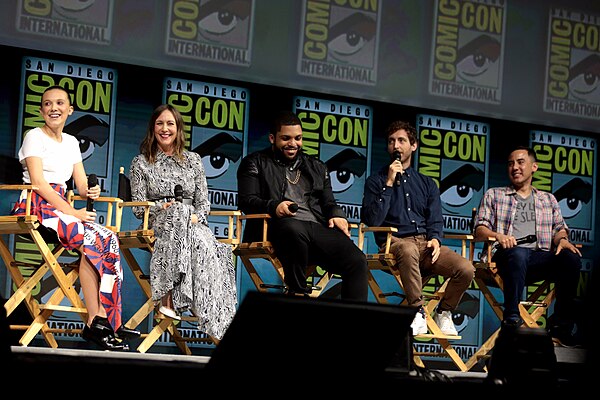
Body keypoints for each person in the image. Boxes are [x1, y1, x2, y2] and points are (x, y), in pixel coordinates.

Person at [11, 85, 139, 351]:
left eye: (59, 103)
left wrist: (89, 190)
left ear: (70, 110)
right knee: (91, 239)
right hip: (36, 205)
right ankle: (99, 322)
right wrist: (73, 212)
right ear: (41, 110)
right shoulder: (34, 136)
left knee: (108, 239)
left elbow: (80, 184)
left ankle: (103, 321)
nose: (53, 108)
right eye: (47, 104)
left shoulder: (70, 142)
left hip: (61, 207)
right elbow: (39, 184)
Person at [129, 104, 237, 340]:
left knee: (213, 246)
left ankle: (197, 308)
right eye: (160, 124)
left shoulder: (194, 160)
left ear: (178, 129)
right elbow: (138, 208)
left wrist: (196, 216)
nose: (165, 129)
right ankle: (174, 296)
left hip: (193, 223)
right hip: (158, 223)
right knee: (178, 213)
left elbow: (204, 202)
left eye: (170, 124)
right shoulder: (141, 163)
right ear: (152, 128)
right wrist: (161, 207)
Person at [237, 110, 368, 301]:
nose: (293, 144)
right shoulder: (255, 162)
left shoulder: (317, 166)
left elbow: (329, 202)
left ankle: (355, 326)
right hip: (276, 226)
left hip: (315, 228)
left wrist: (337, 214)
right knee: (294, 228)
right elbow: (246, 201)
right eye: (286, 138)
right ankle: (297, 293)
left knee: (357, 261)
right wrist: (274, 206)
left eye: (298, 138)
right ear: (272, 138)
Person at [361, 120, 475, 336]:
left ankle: (444, 312)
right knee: (408, 249)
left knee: (466, 268)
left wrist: (435, 239)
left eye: (402, 141)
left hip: (425, 243)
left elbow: (435, 218)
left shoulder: (427, 183)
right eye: (392, 141)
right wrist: (388, 183)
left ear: (413, 146)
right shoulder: (375, 181)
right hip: (393, 243)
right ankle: (417, 310)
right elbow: (373, 220)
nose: (396, 146)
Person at [474, 146, 582, 346]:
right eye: (510, 163)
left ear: (534, 167)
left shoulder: (547, 199)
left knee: (571, 258)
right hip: (504, 257)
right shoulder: (495, 195)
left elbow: (559, 229)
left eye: (520, 162)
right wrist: (499, 235)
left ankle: (561, 326)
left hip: (538, 258)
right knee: (519, 253)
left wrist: (563, 240)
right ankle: (512, 319)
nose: (514, 167)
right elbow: (479, 230)